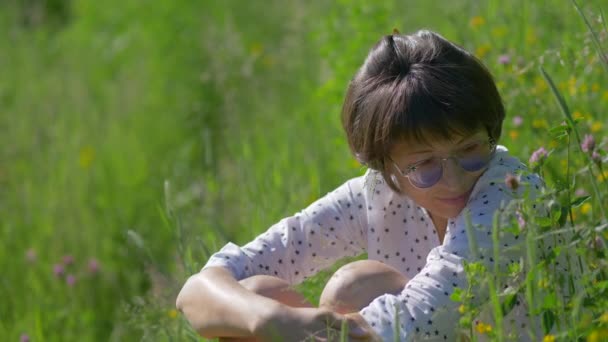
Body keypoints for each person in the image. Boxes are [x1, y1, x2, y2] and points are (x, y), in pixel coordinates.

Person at [176, 29, 548, 341]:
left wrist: (290, 327)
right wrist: (269, 320)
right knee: (256, 294)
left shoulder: (509, 194)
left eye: (469, 149)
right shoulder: (377, 194)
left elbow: (411, 321)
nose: (453, 178)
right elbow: (200, 287)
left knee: (357, 287)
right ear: (386, 165)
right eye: (423, 165)